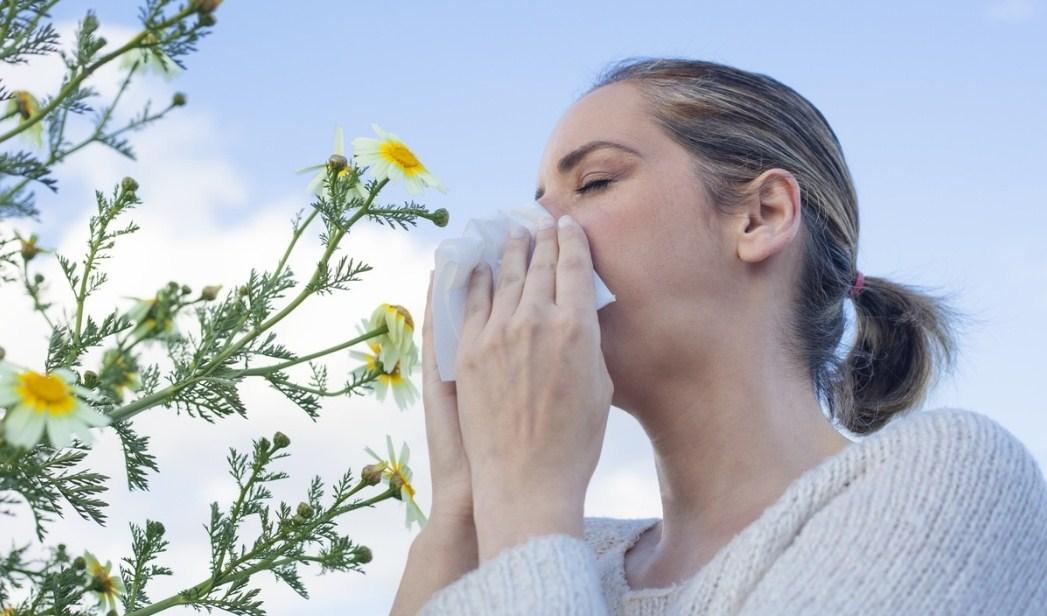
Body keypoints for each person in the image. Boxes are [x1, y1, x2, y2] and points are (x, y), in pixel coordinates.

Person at [390, 57, 1047, 615]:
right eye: (535, 204)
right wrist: (466, 508)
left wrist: (526, 511)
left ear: (761, 216)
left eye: (591, 183)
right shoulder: (571, 549)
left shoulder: (947, 477)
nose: (529, 234)